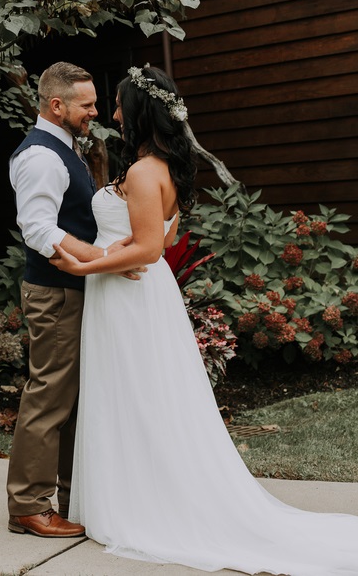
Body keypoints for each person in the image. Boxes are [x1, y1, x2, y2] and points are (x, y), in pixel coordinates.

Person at [51, 65, 358, 574]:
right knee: (135, 397)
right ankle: (134, 494)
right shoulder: (164, 166)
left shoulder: (146, 172)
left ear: (139, 109)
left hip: (129, 299)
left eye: (119, 103)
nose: (113, 112)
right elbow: (164, 237)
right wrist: (117, 246)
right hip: (130, 296)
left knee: (141, 398)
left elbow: (150, 250)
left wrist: (85, 262)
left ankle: (144, 506)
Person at [6, 61, 138, 539]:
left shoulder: (66, 149)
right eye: (87, 104)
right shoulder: (41, 156)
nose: (96, 112)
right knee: (50, 396)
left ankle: (64, 495)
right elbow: (39, 228)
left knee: (72, 398)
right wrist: (103, 256)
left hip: (72, 290)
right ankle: (28, 505)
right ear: (56, 105)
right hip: (57, 293)